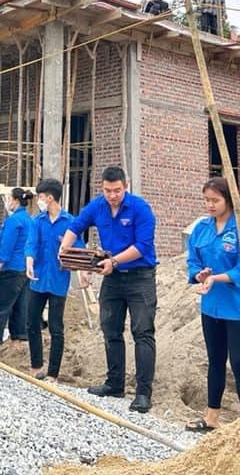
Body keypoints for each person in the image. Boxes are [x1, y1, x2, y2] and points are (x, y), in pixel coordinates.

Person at [60, 165, 158, 413]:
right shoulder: (97, 206)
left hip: (139, 276)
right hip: (111, 279)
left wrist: (114, 261)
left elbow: (143, 246)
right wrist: (66, 251)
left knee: (142, 332)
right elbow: (75, 226)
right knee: (111, 329)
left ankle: (144, 393)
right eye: (107, 191)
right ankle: (115, 384)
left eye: (116, 191)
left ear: (125, 187)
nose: (112, 196)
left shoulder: (140, 208)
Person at [184, 177, 240, 432]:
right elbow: (193, 261)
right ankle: (211, 417)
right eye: (206, 200)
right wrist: (199, 275)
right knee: (215, 360)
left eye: (215, 200)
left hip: (237, 308)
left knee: (238, 362)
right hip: (211, 306)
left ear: (228, 200)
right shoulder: (201, 229)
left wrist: (217, 278)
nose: (210, 205)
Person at [26, 178, 86, 383]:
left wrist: (83, 273)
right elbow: (31, 244)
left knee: (56, 326)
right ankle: (36, 365)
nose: (39, 201)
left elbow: (80, 250)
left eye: (41, 198)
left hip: (59, 280)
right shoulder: (37, 221)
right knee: (32, 321)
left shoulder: (71, 223)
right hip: (38, 278)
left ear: (50, 198)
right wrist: (29, 261)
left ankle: (52, 373)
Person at [0, 187, 35, 356]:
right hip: (24, 268)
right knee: (20, 305)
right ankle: (18, 340)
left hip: (11, 268)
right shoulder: (29, 219)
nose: (7, 202)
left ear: (16, 200)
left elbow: (7, 246)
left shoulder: (13, 221)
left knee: (0, 306)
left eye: (8, 198)